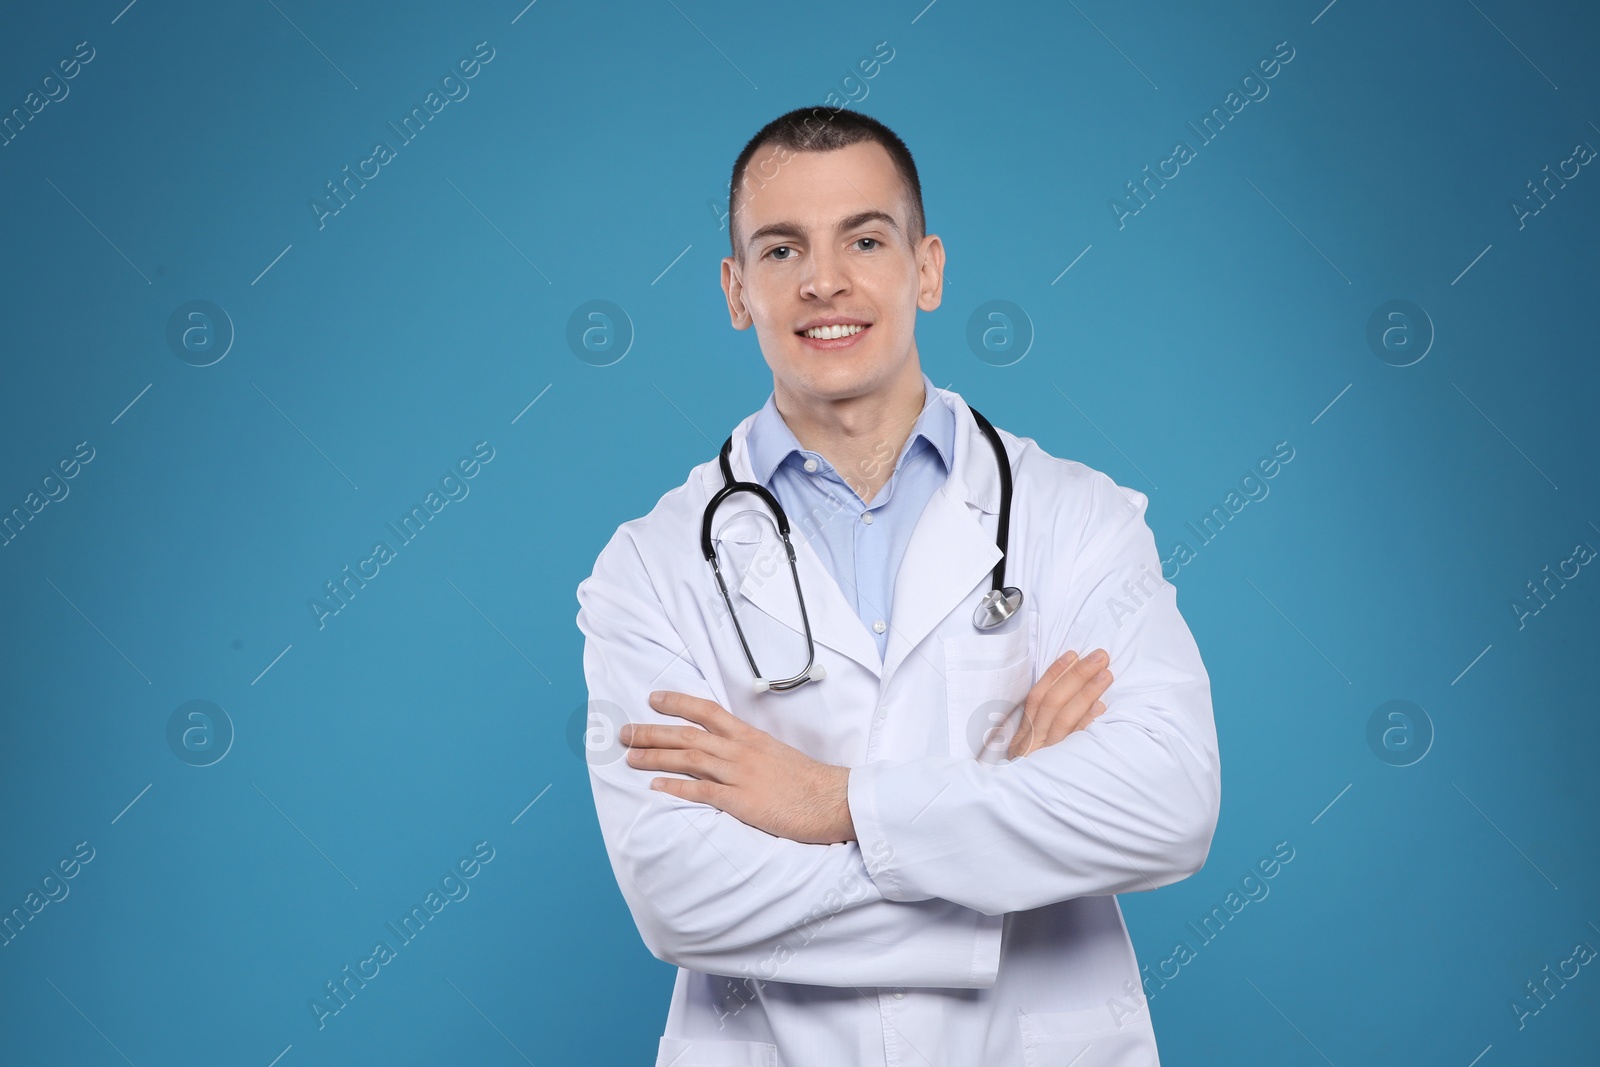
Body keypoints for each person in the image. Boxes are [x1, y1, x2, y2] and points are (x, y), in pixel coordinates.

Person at [575, 105, 1220, 1067]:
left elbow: (1168, 804)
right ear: (737, 289)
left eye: (865, 239)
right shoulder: (649, 567)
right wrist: (1002, 833)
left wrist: (833, 802)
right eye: (782, 248)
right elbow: (679, 893)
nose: (824, 280)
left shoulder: (1077, 519)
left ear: (927, 269)